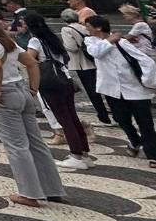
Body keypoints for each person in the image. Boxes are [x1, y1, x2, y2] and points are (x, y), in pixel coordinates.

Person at [0, 5, 65, 206]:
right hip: (21, 90)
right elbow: (31, 62)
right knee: (36, 143)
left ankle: (29, 194)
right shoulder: (5, 38)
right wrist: (32, 89)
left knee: (16, 146)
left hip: (5, 93)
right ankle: (52, 188)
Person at [24, 13, 96, 170]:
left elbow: (29, 61)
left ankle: (76, 155)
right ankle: (84, 154)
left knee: (64, 120)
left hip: (50, 83)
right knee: (72, 117)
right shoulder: (52, 38)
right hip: (65, 79)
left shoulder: (35, 41)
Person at [84, 15, 156, 166]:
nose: (86, 29)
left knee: (145, 122)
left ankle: (152, 154)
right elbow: (95, 52)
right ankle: (136, 142)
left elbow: (144, 59)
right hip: (112, 89)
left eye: (88, 26)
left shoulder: (122, 42)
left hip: (135, 88)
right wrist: (110, 40)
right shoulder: (91, 41)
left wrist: (148, 81)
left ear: (98, 27)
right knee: (121, 119)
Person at [60, 9, 110, 125]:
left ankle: (102, 115)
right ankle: (113, 111)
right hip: (94, 60)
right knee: (104, 86)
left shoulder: (66, 29)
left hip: (81, 63)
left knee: (92, 90)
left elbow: (72, 47)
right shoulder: (84, 27)